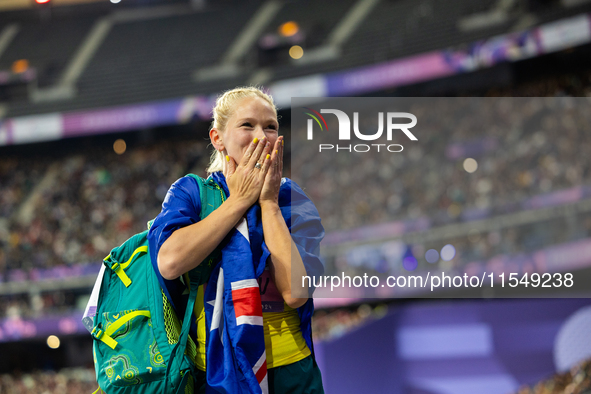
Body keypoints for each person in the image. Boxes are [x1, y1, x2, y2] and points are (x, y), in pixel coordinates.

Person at [148, 87, 325, 393]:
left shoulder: (290, 198)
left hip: (291, 371)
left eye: (271, 127)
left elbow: (296, 294)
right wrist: (238, 201)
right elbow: (169, 261)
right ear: (218, 138)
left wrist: (268, 203)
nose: (262, 136)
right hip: (218, 376)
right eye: (248, 125)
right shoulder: (192, 193)